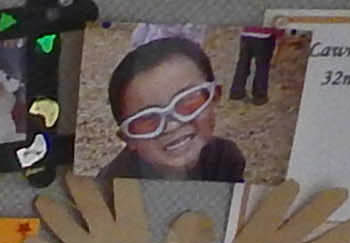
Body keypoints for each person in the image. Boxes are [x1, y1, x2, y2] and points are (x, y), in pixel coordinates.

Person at [97, 36, 245, 182]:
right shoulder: (108, 189)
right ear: (128, 139)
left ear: (214, 97)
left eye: (188, 101)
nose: (172, 125)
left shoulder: (226, 159)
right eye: (148, 119)